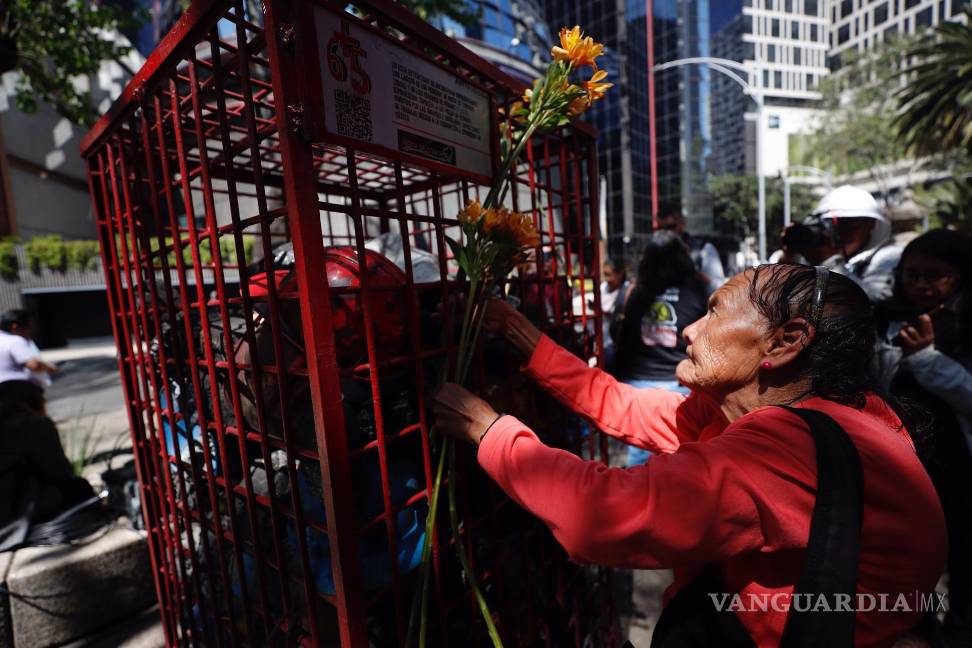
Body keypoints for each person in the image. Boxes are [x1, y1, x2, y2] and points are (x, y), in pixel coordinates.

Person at [433, 264, 945, 647]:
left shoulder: (789, 444)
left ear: (786, 341)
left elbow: (601, 518)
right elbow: (620, 404)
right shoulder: (761, 411)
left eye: (716, 311)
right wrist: (521, 333)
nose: (689, 329)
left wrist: (488, 430)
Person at [874, 229, 972, 645]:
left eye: (937, 275)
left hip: (960, 469)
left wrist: (927, 360)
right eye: (912, 274)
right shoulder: (885, 318)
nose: (921, 285)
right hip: (903, 464)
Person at [610, 231, 708, 465]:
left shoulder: (632, 291)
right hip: (682, 385)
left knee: (639, 458)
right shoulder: (697, 290)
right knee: (681, 458)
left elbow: (615, 332)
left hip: (637, 385)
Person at [782, 185, 900, 302]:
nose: (841, 232)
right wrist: (789, 259)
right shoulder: (815, 256)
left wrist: (830, 263)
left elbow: (872, 302)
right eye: (833, 224)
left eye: (851, 223)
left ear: (871, 224)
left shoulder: (888, 257)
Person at [656, 211, 725, 294]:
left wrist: (696, 274)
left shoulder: (702, 249)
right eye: (661, 228)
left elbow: (720, 289)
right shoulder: (656, 252)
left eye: (671, 227)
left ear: (682, 224)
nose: (666, 232)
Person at [0, 309, 56, 389]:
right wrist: (50, 367)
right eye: (29, 328)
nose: (30, 332)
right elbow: (34, 365)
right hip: (13, 390)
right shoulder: (15, 340)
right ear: (15, 327)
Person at [596, 257, 629, 367]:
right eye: (604, 274)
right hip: (601, 341)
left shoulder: (626, 292)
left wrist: (600, 311)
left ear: (619, 274)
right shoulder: (603, 288)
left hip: (615, 344)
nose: (606, 279)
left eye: (609, 275)